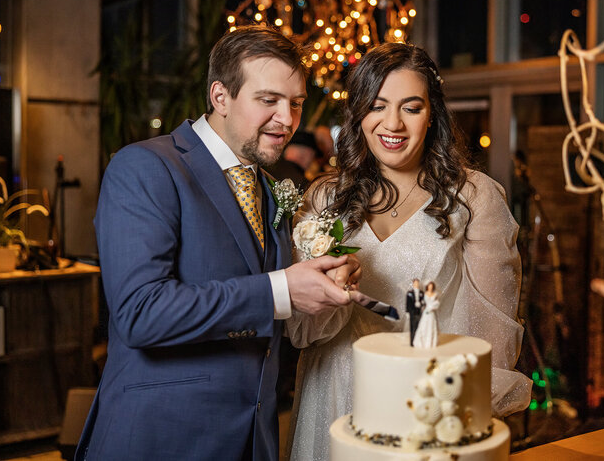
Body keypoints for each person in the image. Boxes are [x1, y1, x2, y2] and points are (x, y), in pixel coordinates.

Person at [75, 24, 360, 461]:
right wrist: (280, 291)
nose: (287, 120)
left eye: (296, 103)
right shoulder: (146, 167)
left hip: (251, 440)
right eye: (268, 101)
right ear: (220, 96)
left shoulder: (272, 188)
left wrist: (322, 277)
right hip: (159, 439)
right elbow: (140, 313)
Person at [285, 42, 532, 461]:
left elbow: (494, 341)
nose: (392, 123)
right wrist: (331, 296)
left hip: (422, 404)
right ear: (359, 113)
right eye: (377, 106)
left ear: (432, 113)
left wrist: (446, 422)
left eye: (411, 107)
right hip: (329, 393)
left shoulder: (475, 198)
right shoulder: (325, 199)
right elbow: (299, 331)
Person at [413, 281, 439, 348]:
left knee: (431, 325)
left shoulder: (435, 294)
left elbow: (437, 303)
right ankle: (422, 342)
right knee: (424, 325)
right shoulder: (424, 294)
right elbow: (423, 303)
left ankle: (430, 343)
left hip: (431, 312)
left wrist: (432, 307)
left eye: (431, 286)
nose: (430, 287)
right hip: (425, 311)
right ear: (427, 287)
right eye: (429, 286)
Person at [405, 278, 425, 345]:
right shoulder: (409, 293)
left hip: (419, 312)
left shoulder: (422, 293)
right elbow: (407, 303)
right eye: (415, 283)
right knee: (412, 327)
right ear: (413, 284)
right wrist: (407, 312)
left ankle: (418, 341)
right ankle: (412, 342)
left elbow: (424, 302)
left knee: (419, 327)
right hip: (412, 312)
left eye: (417, 283)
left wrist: (421, 303)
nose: (416, 284)